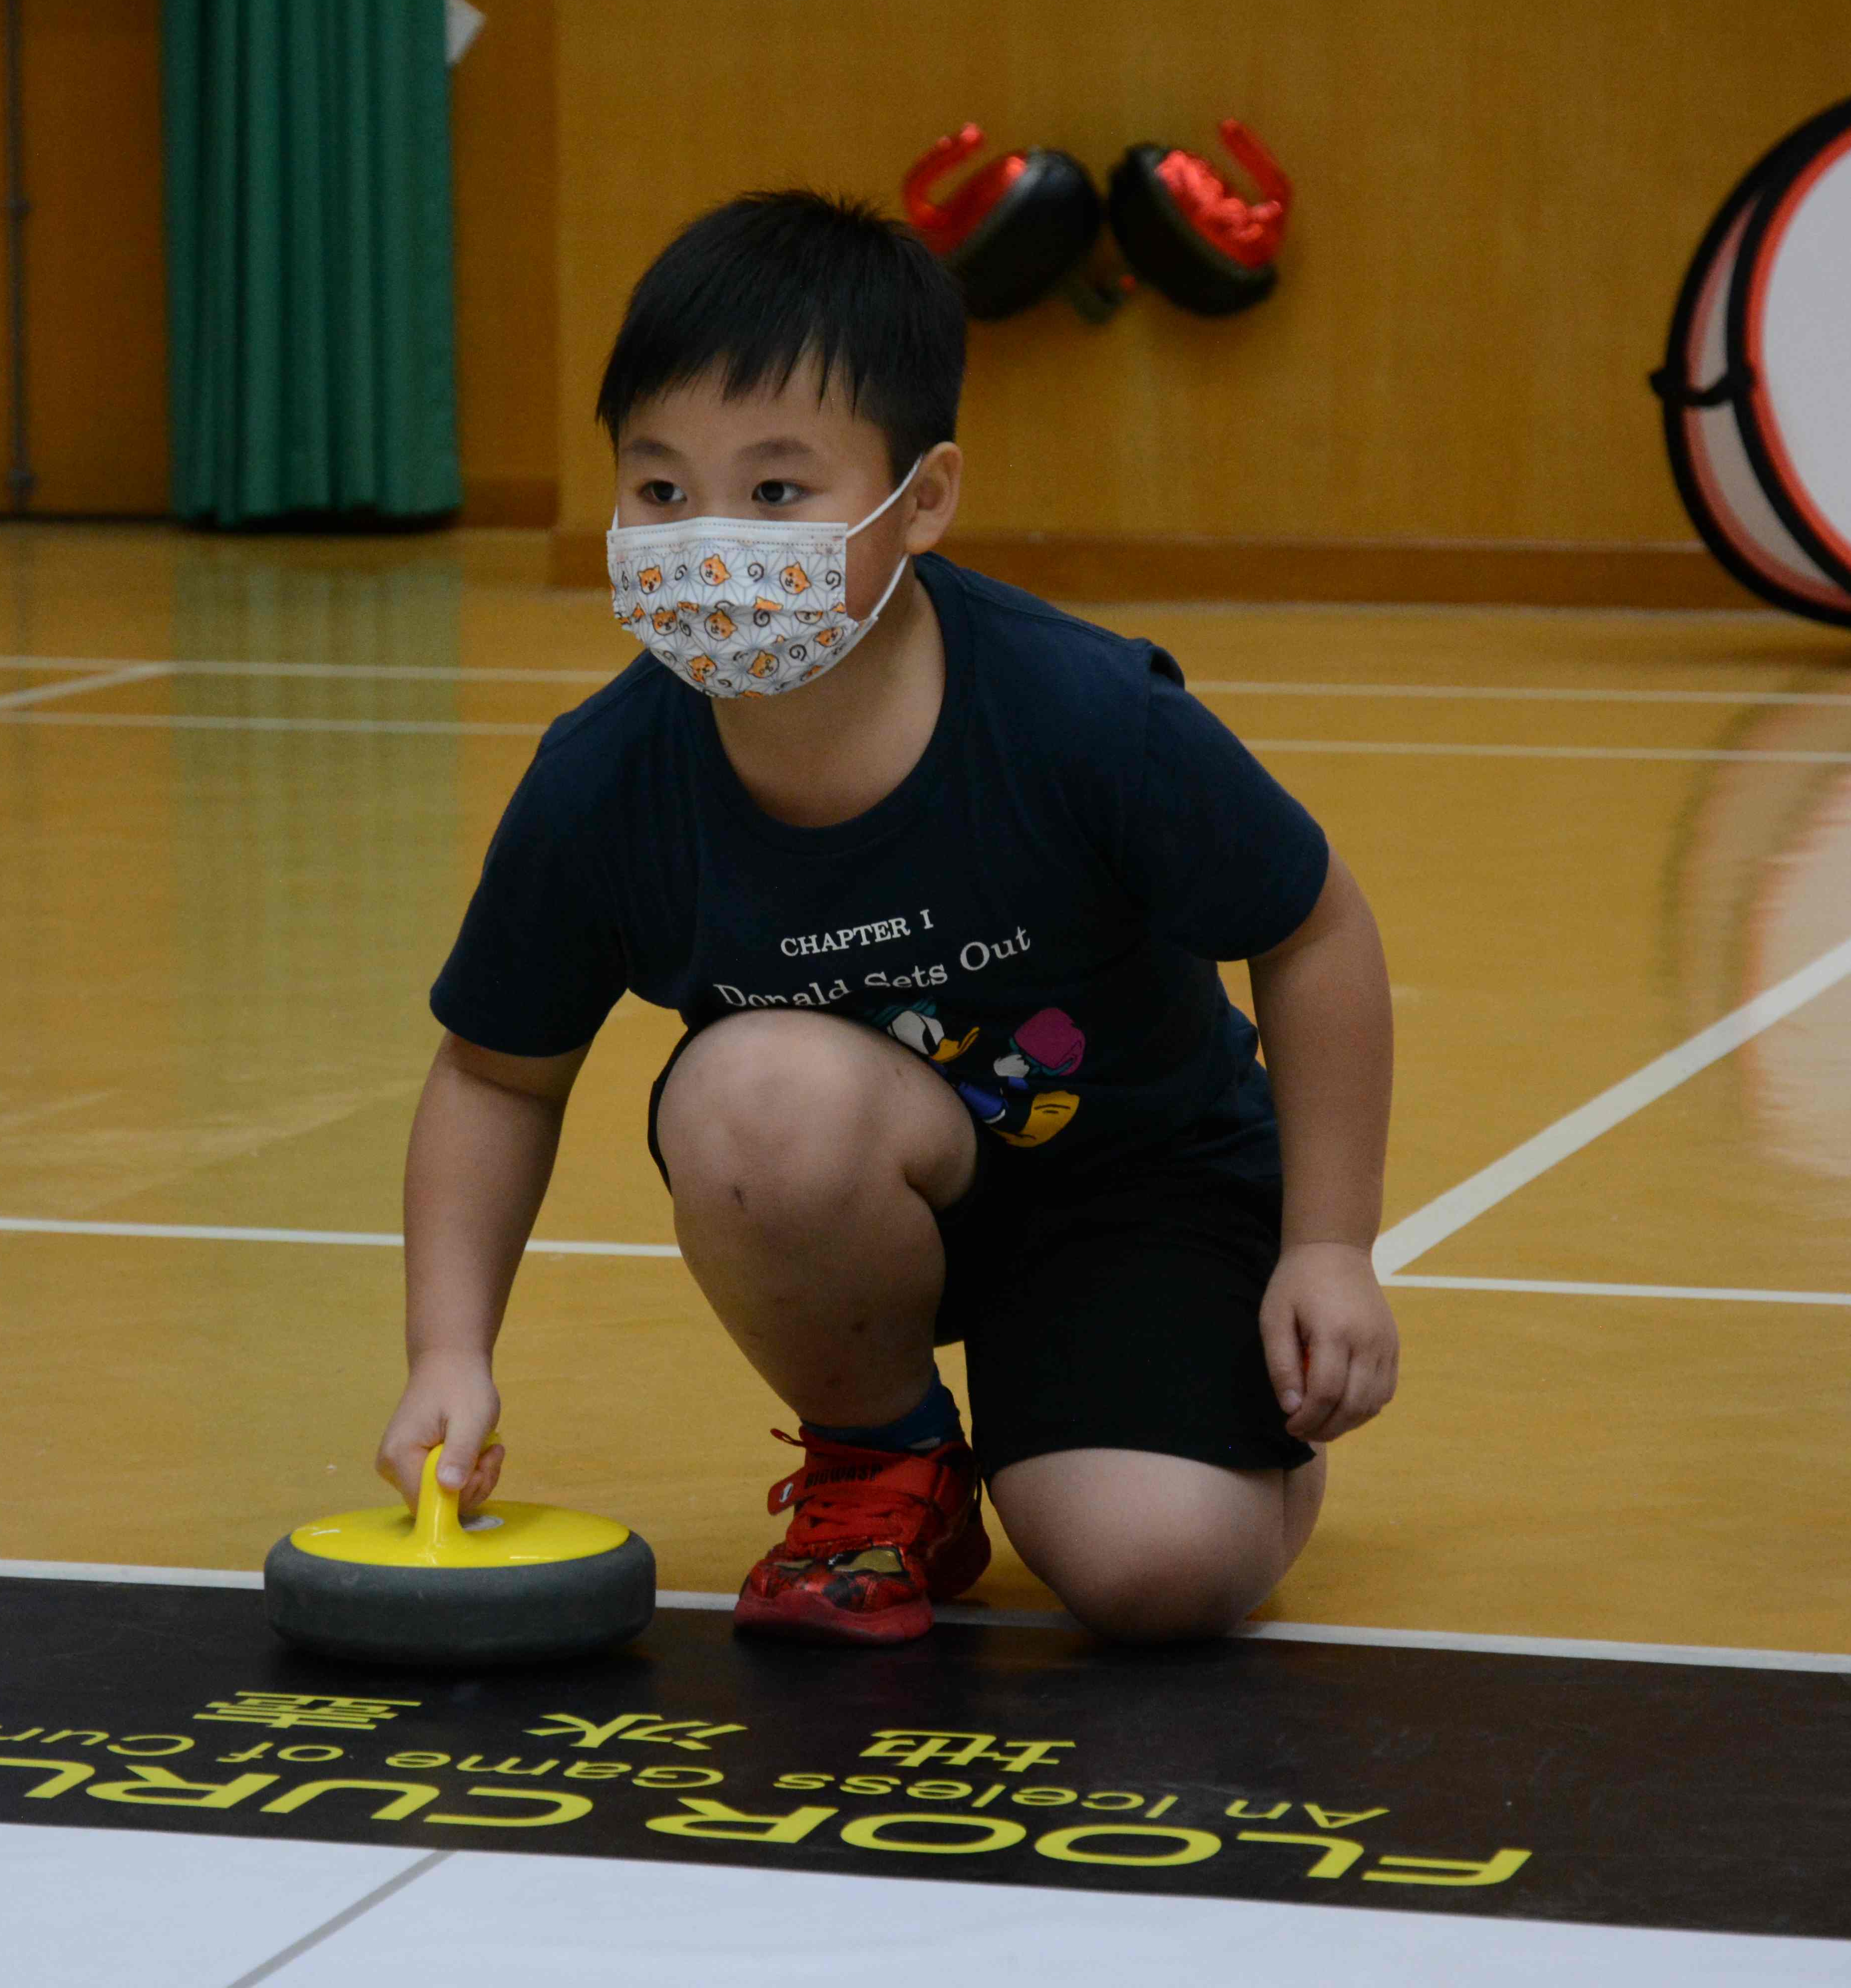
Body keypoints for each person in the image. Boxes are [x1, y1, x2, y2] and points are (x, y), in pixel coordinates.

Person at [376, 190, 1396, 1646]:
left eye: (777, 493)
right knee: (751, 1095)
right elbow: (496, 1072)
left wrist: (1329, 1249)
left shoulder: (1083, 715)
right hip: (862, 1186)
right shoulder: (604, 783)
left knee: (1158, 1575)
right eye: (662, 490)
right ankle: (888, 1460)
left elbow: (1313, 930)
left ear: (921, 499)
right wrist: (447, 1353)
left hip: (1140, 1189)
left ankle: (1183, 1418)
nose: (710, 543)